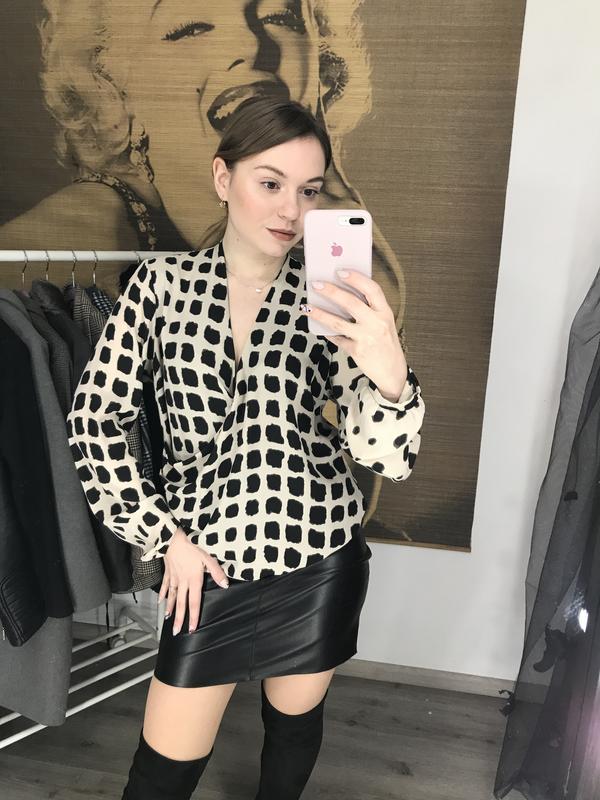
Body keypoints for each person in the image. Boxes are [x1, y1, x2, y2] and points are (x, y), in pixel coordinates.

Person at [66, 95, 426, 800]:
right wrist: (162, 536)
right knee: (158, 779)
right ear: (223, 177)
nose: (291, 209)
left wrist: (389, 374)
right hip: (206, 565)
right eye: (270, 182)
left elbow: (385, 457)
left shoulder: (331, 300)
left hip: (317, 554)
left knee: (291, 732)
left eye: (309, 190)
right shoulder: (161, 288)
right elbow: (94, 421)